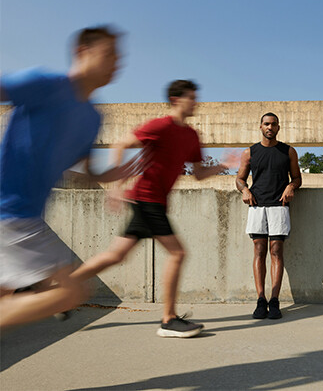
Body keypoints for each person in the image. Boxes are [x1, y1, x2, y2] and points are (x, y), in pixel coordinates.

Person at [72, 80, 234, 338]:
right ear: (176, 99)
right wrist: (116, 186)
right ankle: (168, 319)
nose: (196, 102)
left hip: (151, 201)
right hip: (148, 199)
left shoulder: (192, 136)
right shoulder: (159, 126)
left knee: (115, 255)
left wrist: (223, 165)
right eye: (191, 97)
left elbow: (199, 174)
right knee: (178, 253)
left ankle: (58, 288)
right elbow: (120, 145)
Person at [0, 26, 138, 328]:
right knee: (71, 292)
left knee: (7, 293)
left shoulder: (93, 118)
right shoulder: (45, 83)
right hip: (10, 211)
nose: (117, 63)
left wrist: (113, 176)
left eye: (119, 57)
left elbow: (87, 172)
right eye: (109, 54)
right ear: (82, 52)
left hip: (25, 215)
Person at [236, 112, 302, 319]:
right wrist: (245, 190)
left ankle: (274, 301)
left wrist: (291, 186)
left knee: (276, 251)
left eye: (273, 124)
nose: (270, 127)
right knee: (259, 250)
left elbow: (297, 178)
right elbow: (239, 179)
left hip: (279, 206)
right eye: (266, 124)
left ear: (278, 127)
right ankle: (260, 300)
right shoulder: (250, 152)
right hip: (257, 206)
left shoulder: (288, 151)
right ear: (261, 126)